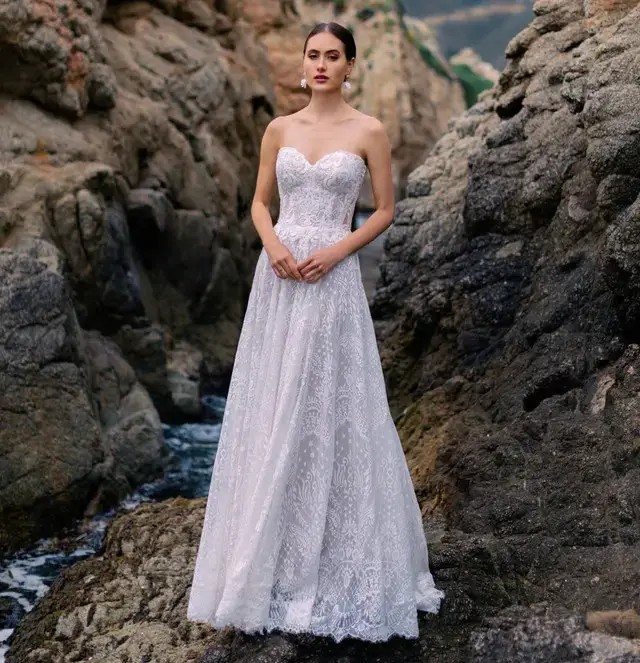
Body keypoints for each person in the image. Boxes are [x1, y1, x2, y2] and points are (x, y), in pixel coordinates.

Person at [187, 21, 445, 643]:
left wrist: (336, 252)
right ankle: (264, 558)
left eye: (334, 55)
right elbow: (257, 202)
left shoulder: (369, 131)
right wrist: (272, 244)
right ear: (303, 64)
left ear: (351, 64)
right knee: (272, 400)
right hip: (278, 277)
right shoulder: (280, 129)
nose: (323, 64)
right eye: (314, 55)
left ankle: (331, 556)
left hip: (330, 279)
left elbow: (383, 209)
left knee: (330, 401)